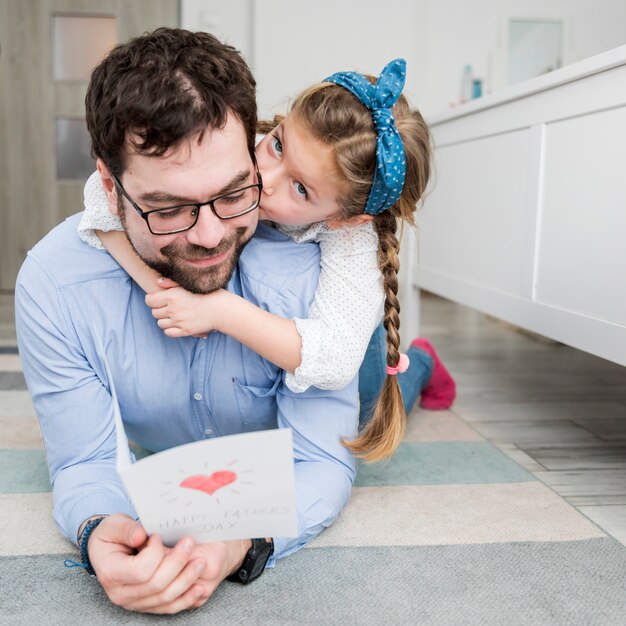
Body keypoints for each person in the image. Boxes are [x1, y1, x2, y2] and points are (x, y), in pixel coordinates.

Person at [78, 58, 455, 462]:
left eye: (300, 189)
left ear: (345, 217)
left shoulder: (352, 238)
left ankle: (423, 364)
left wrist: (218, 309)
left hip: (355, 349)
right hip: (272, 335)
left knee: (365, 417)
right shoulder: (237, 148)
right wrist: (160, 287)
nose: (266, 178)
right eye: (278, 145)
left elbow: (335, 360)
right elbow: (104, 193)